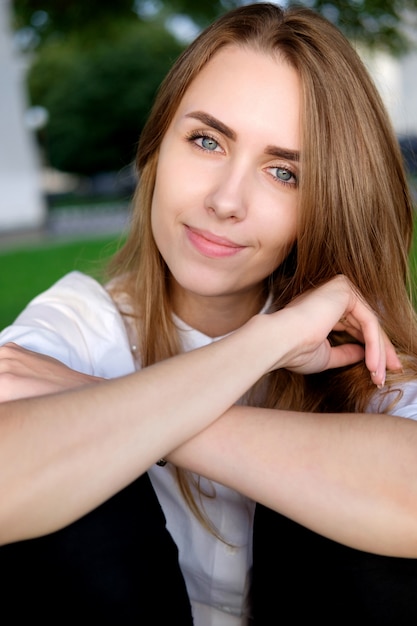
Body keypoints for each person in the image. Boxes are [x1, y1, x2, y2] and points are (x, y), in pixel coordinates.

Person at [0, 2, 417, 623]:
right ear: (156, 151)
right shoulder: (80, 323)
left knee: (354, 519)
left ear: (328, 202)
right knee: (71, 483)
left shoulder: (353, 340)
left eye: (283, 173)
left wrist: (114, 407)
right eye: (206, 140)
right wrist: (261, 345)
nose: (226, 200)